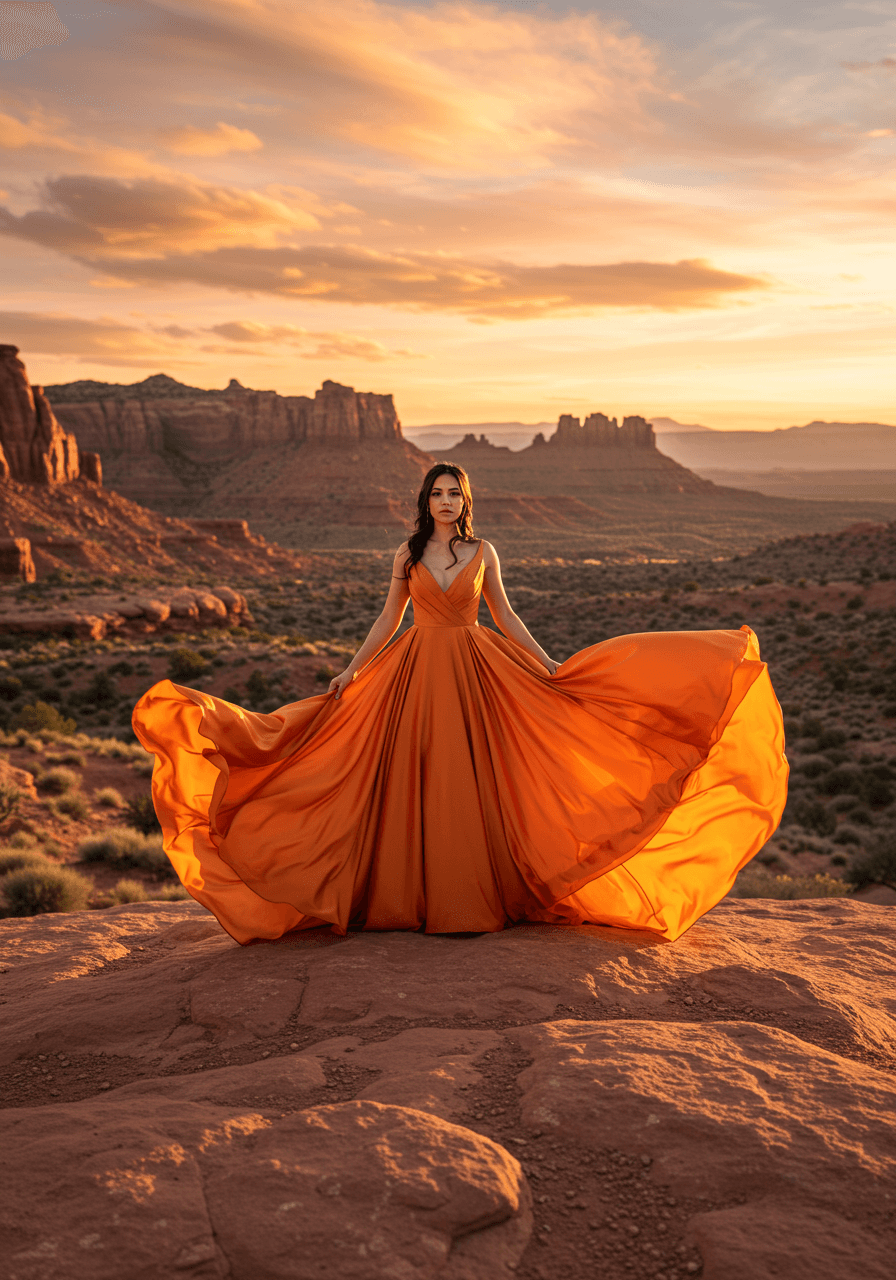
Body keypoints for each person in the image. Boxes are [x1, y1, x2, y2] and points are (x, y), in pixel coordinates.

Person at [132, 462, 788, 945]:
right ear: (425, 502)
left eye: (455, 493)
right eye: (436, 493)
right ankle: (407, 896)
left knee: (478, 778)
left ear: (465, 501)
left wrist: (549, 665)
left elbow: (506, 616)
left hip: (477, 670)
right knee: (401, 776)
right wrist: (351, 671)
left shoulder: (483, 551)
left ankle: (472, 898)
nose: (446, 501)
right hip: (414, 671)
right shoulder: (407, 552)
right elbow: (387, 620)